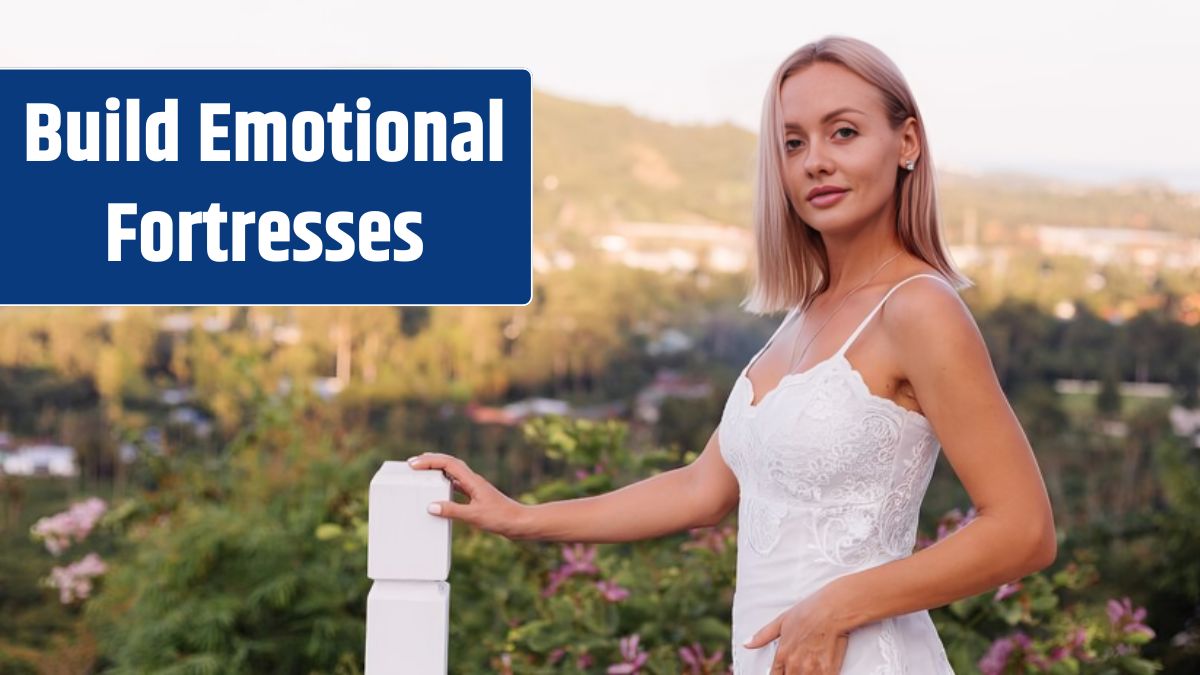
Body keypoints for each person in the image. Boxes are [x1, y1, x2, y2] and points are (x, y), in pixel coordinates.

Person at [407, 34, 1057, 674]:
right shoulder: (803, 316)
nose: (815, 162)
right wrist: (523, 518)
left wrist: (835, 606)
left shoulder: (919, 308)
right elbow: (699, 488)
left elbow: (1023, 528)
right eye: (793, 142)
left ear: (906, 143)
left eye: (844, 133)